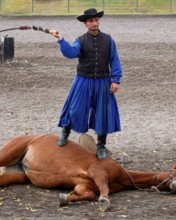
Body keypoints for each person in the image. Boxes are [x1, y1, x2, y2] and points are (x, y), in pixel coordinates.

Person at [49, 8, 122, 159]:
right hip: (83, 81)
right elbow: (70, 53)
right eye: (91, 21)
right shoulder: (80, 40)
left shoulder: (109, 40)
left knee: (103, 113)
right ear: (85, 23)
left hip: (103, 82)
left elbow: (114, 60)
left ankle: (101, 145)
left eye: (96, 20)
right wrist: (61, 39)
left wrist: (115, 80)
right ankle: (65, 132)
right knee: (75, 109)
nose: (94, 23)